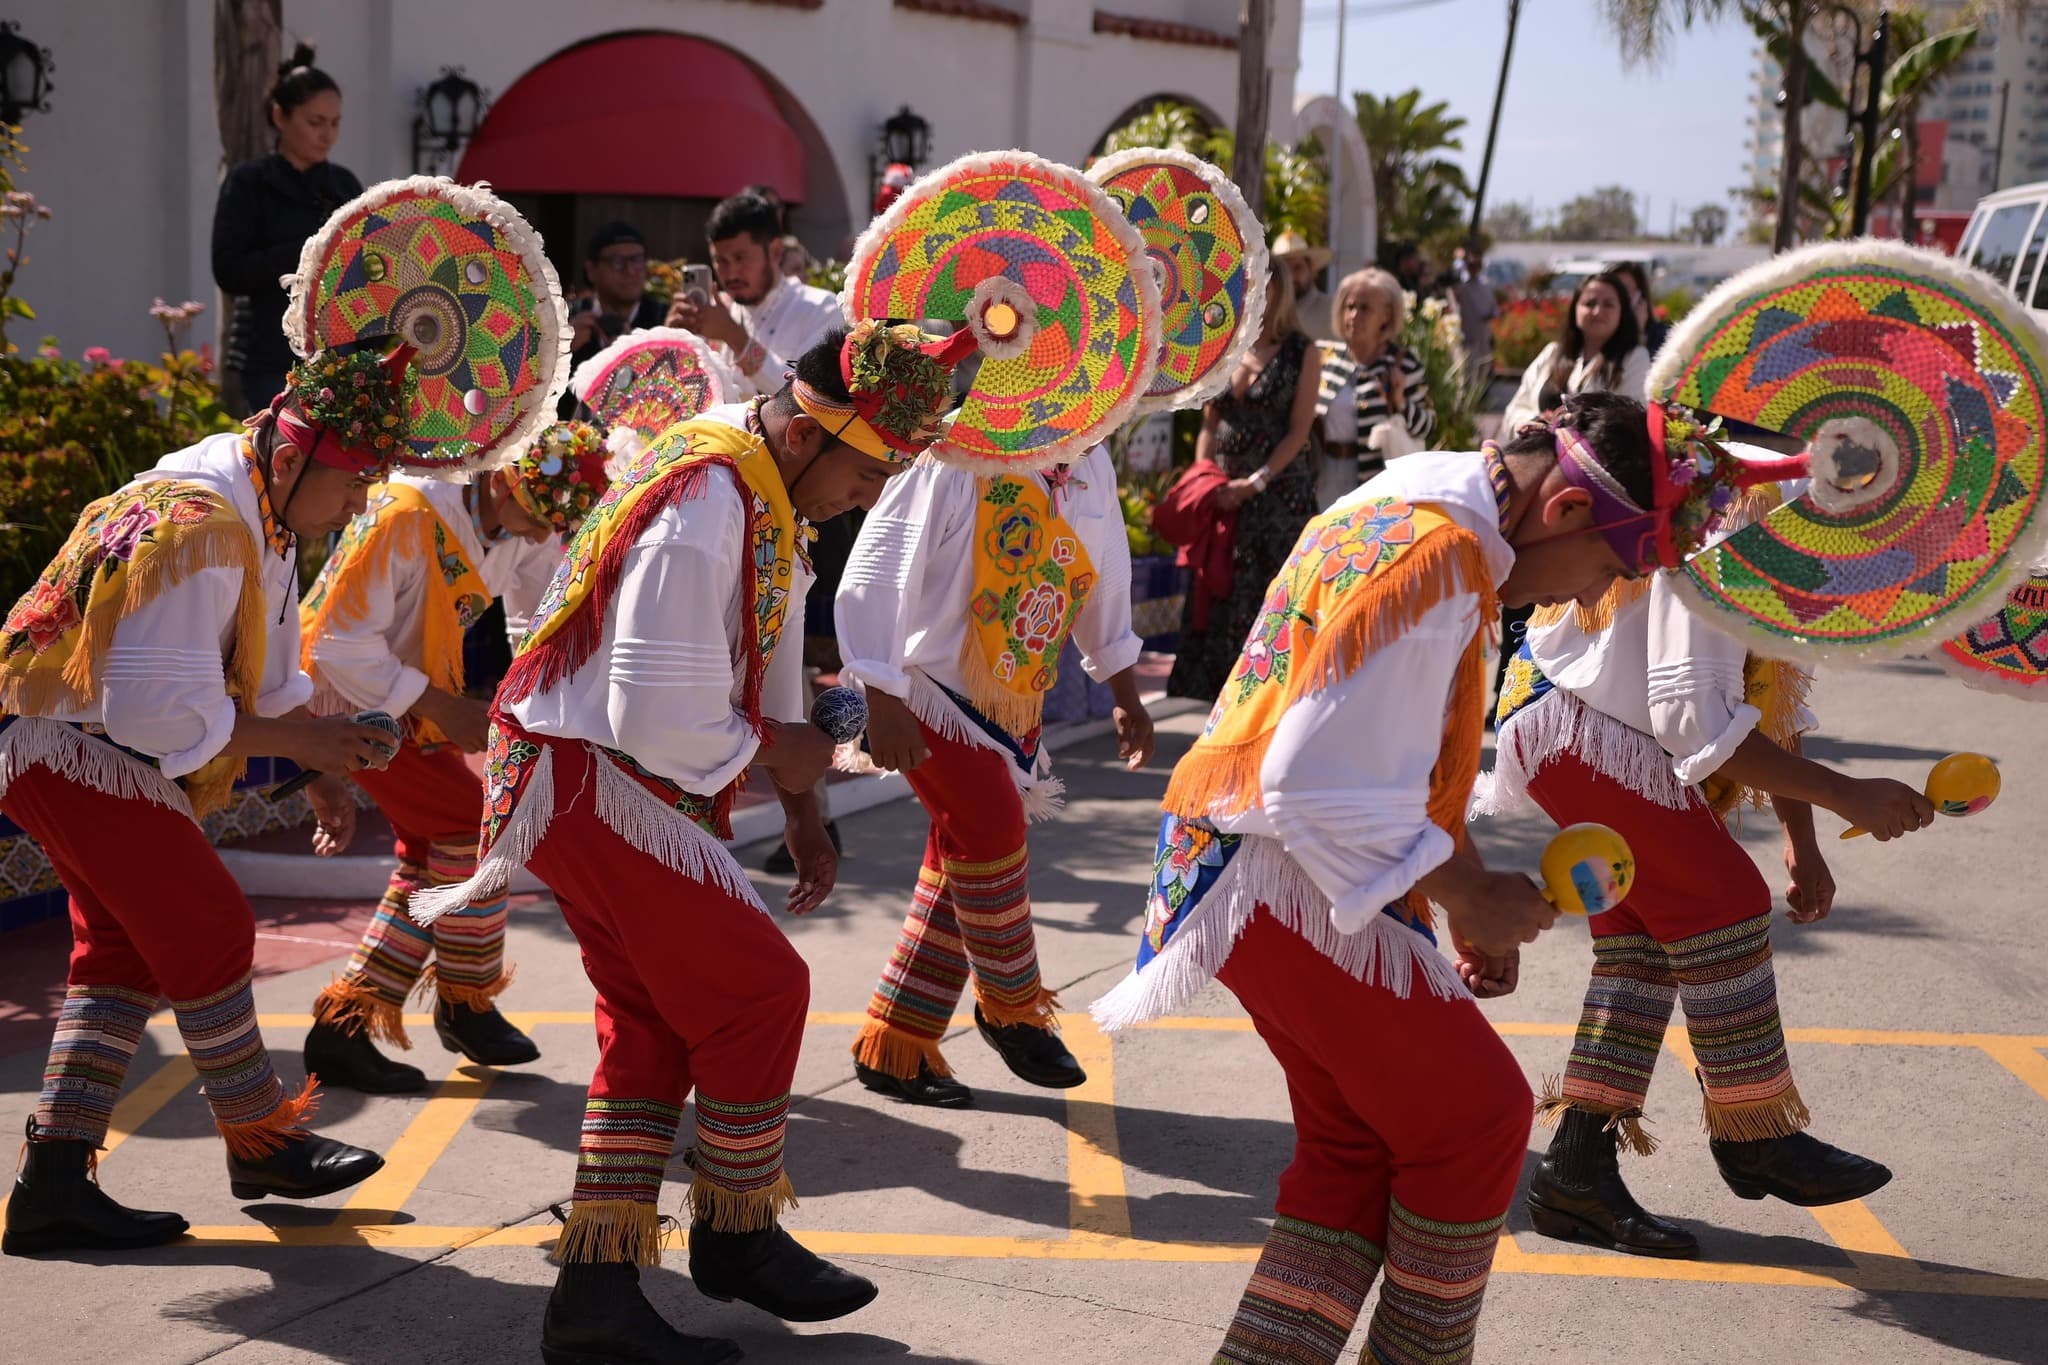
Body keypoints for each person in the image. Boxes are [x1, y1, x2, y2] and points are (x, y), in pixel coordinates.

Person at [410, 325, 967, 1362]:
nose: (868, 495)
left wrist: (803, 806)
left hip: (596, 773)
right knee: (760, 992)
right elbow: (657, 709)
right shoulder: (709, 500)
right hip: (594, 775)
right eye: (864, 472)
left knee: (658, 1023)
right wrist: (797, 747)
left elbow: (762, 644)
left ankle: (596, 1292)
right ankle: (737, 1231)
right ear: (803, 434)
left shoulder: (755, 478)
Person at [1093, 390, 1669, 1365]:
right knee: (1477, 1119)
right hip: (1281, 872)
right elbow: (1309, 778)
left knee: (1356, 1146)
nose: (1586, 598)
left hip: (1235, 864)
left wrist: (1459, 887)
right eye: (1607, 568)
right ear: (1567, 509)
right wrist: (1467, 894)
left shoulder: (1412, 491)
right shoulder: (1443, 556)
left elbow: (1392, 748)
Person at [0, 346, 418, 1256]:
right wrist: (307, 744)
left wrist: (317, 763)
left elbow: (262, 677)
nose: (360, 504)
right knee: (211, 923)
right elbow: (157, 713)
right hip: (71, 745)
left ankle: (53, 1184)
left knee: (121, 947)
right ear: (291, 455)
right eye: (355, 481)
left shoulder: (259, 507)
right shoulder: (203, 525)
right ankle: (263, 1142)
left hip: (68, 744)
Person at [1475, 425, 1927, 1259]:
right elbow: (1693, 718)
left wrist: (1804, 838)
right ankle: (1755, 1133)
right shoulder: (1737, 512)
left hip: (1576, 720)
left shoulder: (1763, 503)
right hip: (1586, 725)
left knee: (1647, 940)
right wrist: (1847, 793)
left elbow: (1768, 692)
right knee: (1724, 902)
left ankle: (1575, 1171)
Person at [835, 427, 1156, 1109]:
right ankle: (1011, 1005)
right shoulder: (956, 450)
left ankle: (895, 1042)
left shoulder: (1091, 462)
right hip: (922, 684)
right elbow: (878, 570)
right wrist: (880, 695)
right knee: (989, 831)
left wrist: (1125, 692)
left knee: (961, 854)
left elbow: (1105, 578)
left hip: (1010, 694)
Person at [297, 422, 610, 1094]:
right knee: (470, 829)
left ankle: (365, 1022)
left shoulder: (521, 516)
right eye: (537, 519)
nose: (541, 535)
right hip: (341, 700)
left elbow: (539, 613)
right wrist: (446, 706)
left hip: (402, 697)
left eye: (554, 525)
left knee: (438, 847)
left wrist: (543, 702)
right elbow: (335, 646)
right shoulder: (408, 512)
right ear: (503, 480)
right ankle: (450, 1004)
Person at [1165, 260, 1324, 702]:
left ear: (1279, 292)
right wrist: (1206, 479)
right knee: (1218, 592)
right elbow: (1209, 425)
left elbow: (1299, 432)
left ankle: (1267, 699)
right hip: (1223, 495)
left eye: (1261, 286)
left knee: (1269, 598)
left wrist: (1255, 482)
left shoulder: (1302, 352)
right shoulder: (1228, 347)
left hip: (1278, 499)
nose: (1251, 293)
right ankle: (1217, 699)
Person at [211, 46, 363, 416]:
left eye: (335, 123)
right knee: (284, 447)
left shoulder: (344, 185)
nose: (327, 135)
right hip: (269, 354)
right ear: (280, 116)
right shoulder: (250, 182)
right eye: (315, 122)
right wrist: (309, 250)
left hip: (339, 352)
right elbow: (229, 270)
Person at [666, 192, 842, 400]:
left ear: (775, 251)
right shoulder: (713, 311)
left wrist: (734, 336)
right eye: (721, 261)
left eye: (741, 258)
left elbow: (805, 394)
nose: (731, 273)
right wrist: (673, 343)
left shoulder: (821, 308)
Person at [1316, 267, 1437, 498]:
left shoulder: (1403, 364)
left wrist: (1401, 403)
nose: (1354, 316)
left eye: (1365, 308)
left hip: (1377, 483)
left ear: (1387, 316)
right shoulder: (1325, 358)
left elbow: (1428, 426)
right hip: (1325, 477)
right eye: (1350, 307)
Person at [1501, 270, 1648, 433]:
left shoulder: (1634, 358)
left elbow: (1632, 422)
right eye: (1590, 303)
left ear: (1622, 313)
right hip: (1535, 446)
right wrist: (1532, 423)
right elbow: (1514, 410)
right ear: (1574, 310)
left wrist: (1568, 429)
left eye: (1608, 304)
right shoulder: (1552, 353)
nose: (1597, 311)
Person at [565, 223, 667, 407]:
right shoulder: (565, 322)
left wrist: (643, 354)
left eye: (637, 260)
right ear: (591, 270)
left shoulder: (663, 321)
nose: (630, 271)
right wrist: (560, 352)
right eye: (617, 261)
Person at [1452, 241, 1500, 392]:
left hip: (1483, 340)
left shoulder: (1485, 285)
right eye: (1471, 263)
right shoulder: (1460, 285)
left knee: (1482, 379)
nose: (1474, 266)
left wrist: (1488, 316)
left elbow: (1494, 309)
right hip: (1465, 340)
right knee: (1465, 379)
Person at [1272, 230, 1334, 344]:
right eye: (1284, 269)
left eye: (1297, 268)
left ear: (1311, 269)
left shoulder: (1332, 312)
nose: (1290, 277)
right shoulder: (1263, 313)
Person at [1615, 260, 1670, 358]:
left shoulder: (1662, 336)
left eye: (1623, 289)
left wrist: (1638, 332)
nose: (1615, 295)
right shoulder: (1598, 332)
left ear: (1640, 297)